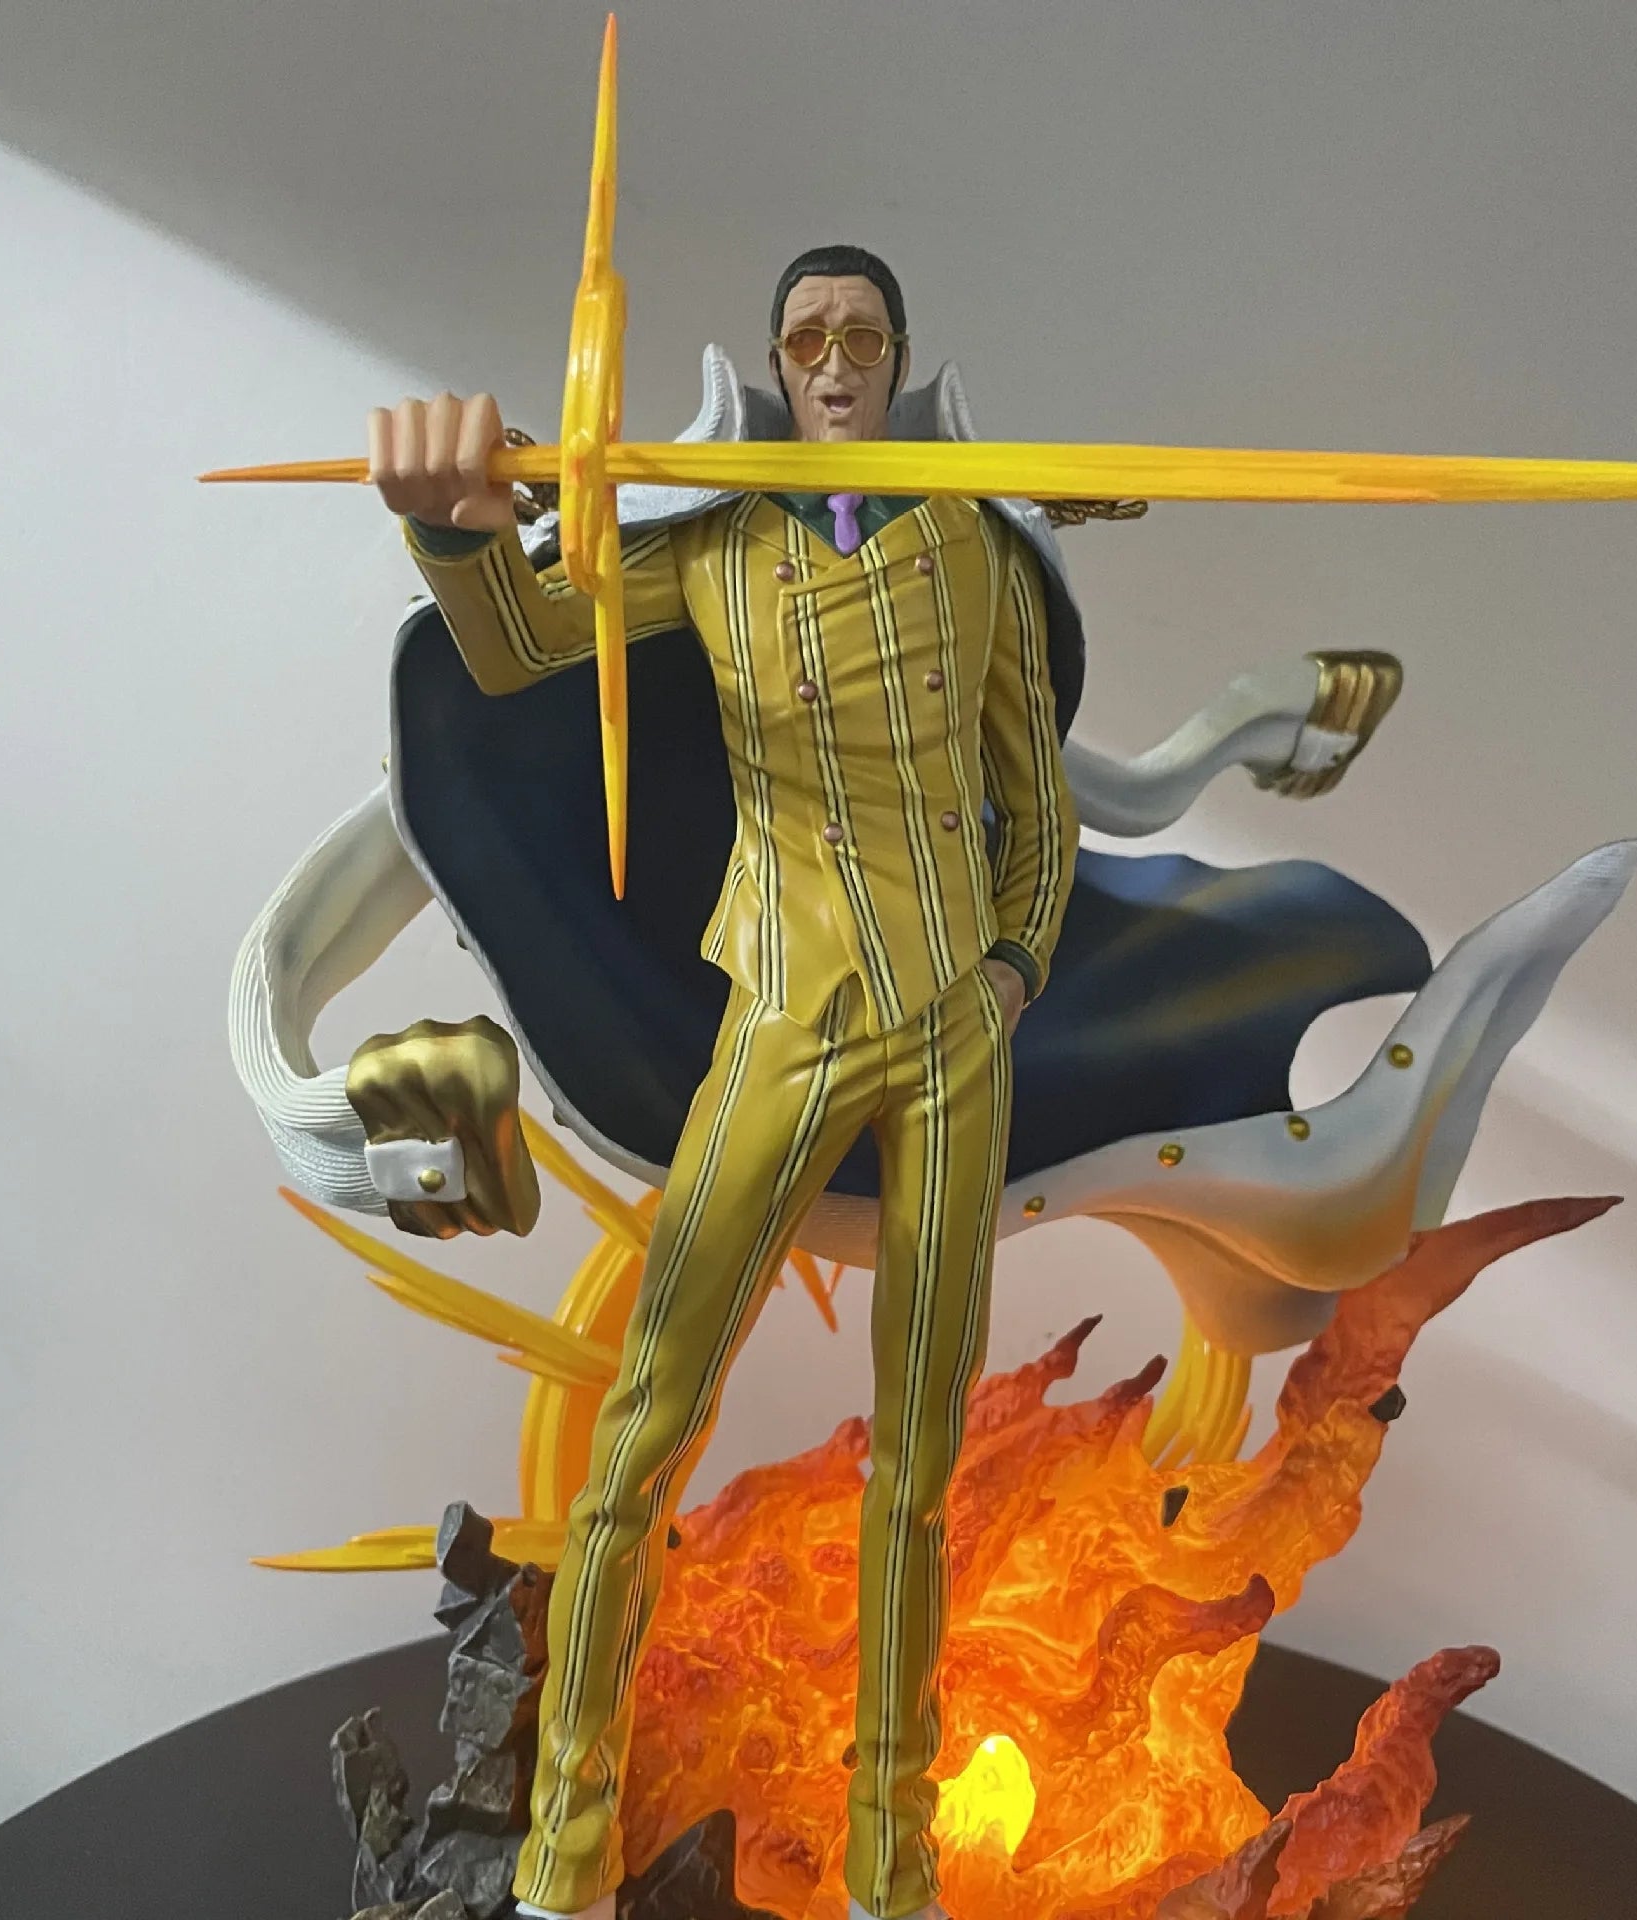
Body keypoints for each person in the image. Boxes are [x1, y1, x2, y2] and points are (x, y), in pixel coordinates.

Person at [367, 244, 1076, 1920]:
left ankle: (893, 1866)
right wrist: (456, 530)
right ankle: (566, 1851)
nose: (835, 361)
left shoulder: (975, 547)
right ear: (776, 363)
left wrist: (1011, 970)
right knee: (642, 1426)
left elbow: (1034, 799)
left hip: (951, 1029)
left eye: (862, 337)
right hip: (787, 1010)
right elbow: (523, 642)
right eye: (808, 335)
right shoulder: (719, 545)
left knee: (921, 1467)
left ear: (897, 363)